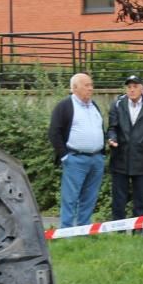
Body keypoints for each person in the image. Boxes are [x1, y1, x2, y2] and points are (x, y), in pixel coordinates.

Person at [107, 75, 143, 228]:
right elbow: (112, 128)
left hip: (142, 159)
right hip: (120, 158)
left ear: (142, 88)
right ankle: (118, 232)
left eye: (135, 86)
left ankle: (138, 232)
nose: (131, 90)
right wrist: (111, 138)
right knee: (119, 200)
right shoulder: (118, 105)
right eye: (129, 87)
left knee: (141, 200)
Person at [49, 73, 105, 228]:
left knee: (90, 197)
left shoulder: (94, 106)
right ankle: (66, 231)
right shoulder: (65, 106)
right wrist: (65, 156)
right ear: (74, 88)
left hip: (96, 159)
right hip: (75, 159)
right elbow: (54, 132)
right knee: (70, 197)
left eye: (91, 85)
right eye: (86, 85)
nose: (90, 88)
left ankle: (83, 229)